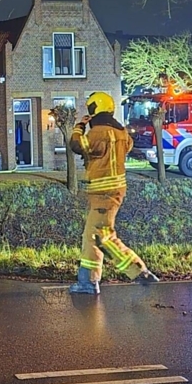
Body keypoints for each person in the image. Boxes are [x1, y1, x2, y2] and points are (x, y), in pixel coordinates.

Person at [68, 92, 158, 295]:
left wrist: (79, 126)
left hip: (102, 193)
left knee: (103, 237)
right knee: (92, 236)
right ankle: (88, 281)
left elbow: (77, 145)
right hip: (115, 191)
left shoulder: (97, 133)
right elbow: (127, 147)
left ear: (95, 109)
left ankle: (139, 271)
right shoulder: (122, 132)